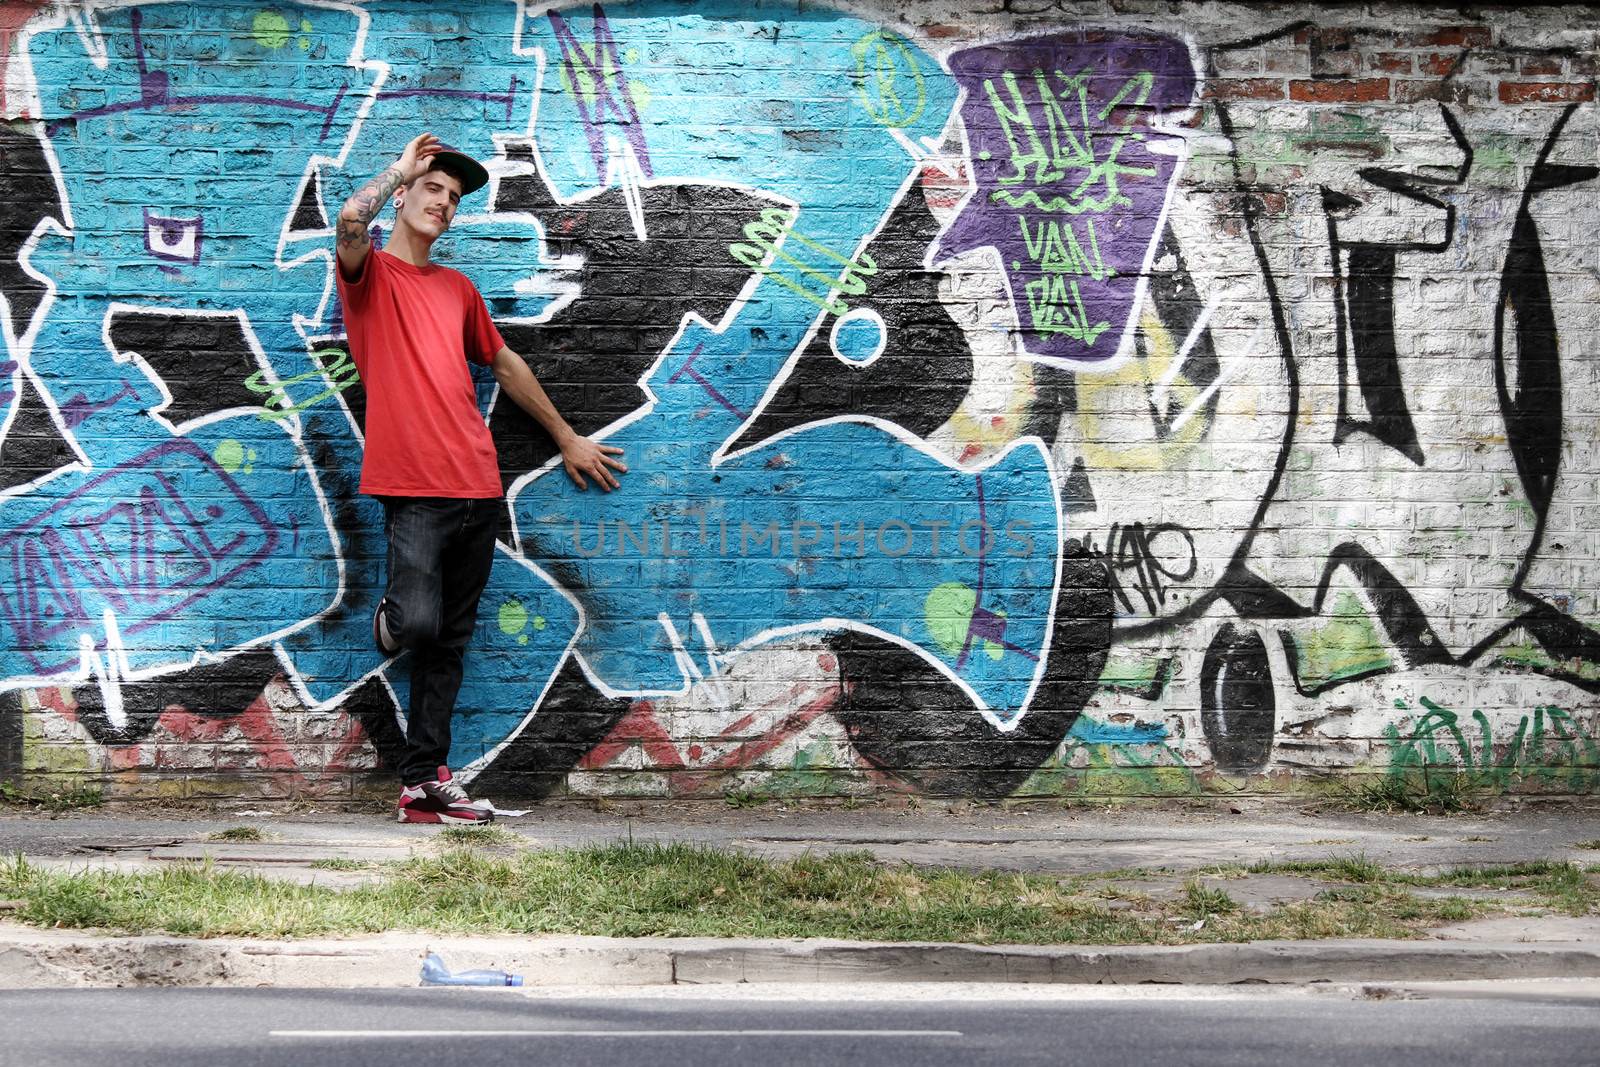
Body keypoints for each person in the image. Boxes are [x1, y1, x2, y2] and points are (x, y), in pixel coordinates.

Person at [335, 132, 626, 824]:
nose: (444, 203)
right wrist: (401, 166)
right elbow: (349, 221)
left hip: (477, 484)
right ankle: (388, 622)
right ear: (403, 197)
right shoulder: (369, 276)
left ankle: (422, 782)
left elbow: (505, 364)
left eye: (454, 198)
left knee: (450, 644)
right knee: (415, 623)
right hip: (412, 487)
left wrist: (566, 436)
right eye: (433, 190)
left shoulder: (457, 289)